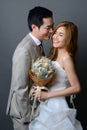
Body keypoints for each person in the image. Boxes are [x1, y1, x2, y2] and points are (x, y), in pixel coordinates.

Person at [6, 6, 54, 130]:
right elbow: (19, 87)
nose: (52, 31)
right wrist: (28, 116)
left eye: (52, 26)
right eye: (48, 28)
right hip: (24, 114)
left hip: (36, 108)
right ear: (34, 27)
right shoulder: (24, 50)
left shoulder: (38, 44)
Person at [29, 21, 83, 130]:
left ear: (69, 39)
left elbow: (76, 87)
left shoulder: (66, 58)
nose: (55, 37)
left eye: (61, 35)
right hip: (47, 104)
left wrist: (48, 95)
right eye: (55, 33)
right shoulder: (55, 55)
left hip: (57, 107)